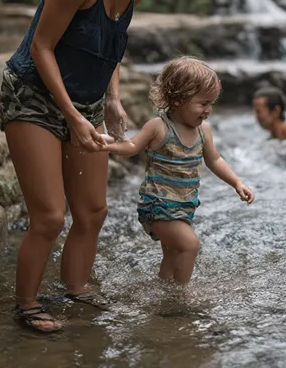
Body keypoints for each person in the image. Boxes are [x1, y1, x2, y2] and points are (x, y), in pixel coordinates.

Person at [0, 0, 203, 332]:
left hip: (87, 100)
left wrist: (110, 100)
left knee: (93, 211)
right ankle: (26, 305)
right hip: (33, 94)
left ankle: (77, 290)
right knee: (50, 216)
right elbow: (41, 47)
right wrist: (71, 115)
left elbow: (112, 43)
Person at [103, 57, 255, 285]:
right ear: (177, 100)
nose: (208, 110)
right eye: (203, 103)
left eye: (211, 103)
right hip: (158, 205)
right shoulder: (159, 127)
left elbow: (215, 160)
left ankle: (164, 291)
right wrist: (105, 145)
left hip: (184, 205)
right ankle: (182, 294)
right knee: (190, 245)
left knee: (173, 254)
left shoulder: (204, 130)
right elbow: (132, 147)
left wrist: (236, 182)